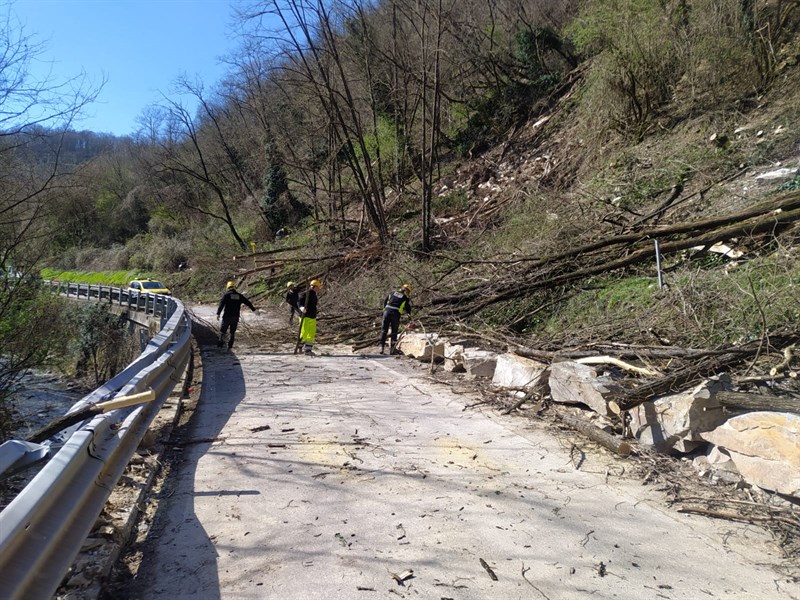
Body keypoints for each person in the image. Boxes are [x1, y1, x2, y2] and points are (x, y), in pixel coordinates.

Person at [216, 280, 256, 349]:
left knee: (223, 331)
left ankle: (220, 346)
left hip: (227, 317)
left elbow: (221, 305)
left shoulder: (226, 295)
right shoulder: (239, 295)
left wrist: (218, 313)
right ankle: (230, 346)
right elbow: (248, 302)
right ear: (234, 287)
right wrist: (254, 310)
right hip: (235, 317)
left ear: (228, 287)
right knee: (232, 332)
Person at [380, 284, 413, 355]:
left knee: (384, 330)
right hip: (395, 314)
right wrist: (410, 318)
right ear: (407, 291)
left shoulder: (392, 293)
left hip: (387, 312)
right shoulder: (405, 297)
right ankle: (392, 349)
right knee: (394, 332)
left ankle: (381, 347)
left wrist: (384, 310)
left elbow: (385, 301)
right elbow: (408, 309)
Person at [297, 279, 322, 355]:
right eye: (318, 287)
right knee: (304, 333)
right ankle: (300, 346)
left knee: (311, 334)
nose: (319, 289)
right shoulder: (305, 294)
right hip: (305, 317)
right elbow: (299, 302)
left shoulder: (314, 295)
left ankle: (308, 350)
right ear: (314, 287)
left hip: (312, 317)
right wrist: (301, 308)